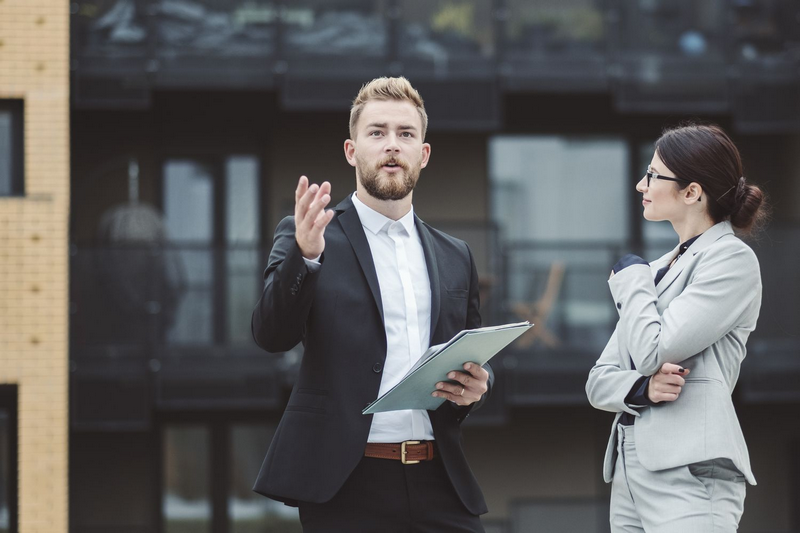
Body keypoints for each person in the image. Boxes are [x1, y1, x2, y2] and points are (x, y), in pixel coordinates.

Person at [251, 76, 493, 533]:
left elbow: (467, 351)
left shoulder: (454, 254)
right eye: (377, 132)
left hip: (440, 477)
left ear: (422, 154)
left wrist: (477, 386)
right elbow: (271, 335)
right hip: (346, 483)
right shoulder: (310, 235)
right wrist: (305, 257)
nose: (391, 146)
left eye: (405, 134)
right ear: (351, 150)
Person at [586, 124, 768, 532]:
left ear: (692, 192)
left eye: (652, 175)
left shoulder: (730, 259)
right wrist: (641, 389)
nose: (640, 184)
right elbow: (598, 382)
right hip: (630, 471)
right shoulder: (654, 271)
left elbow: (655, 351)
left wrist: (632, 281)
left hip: (691, 469)